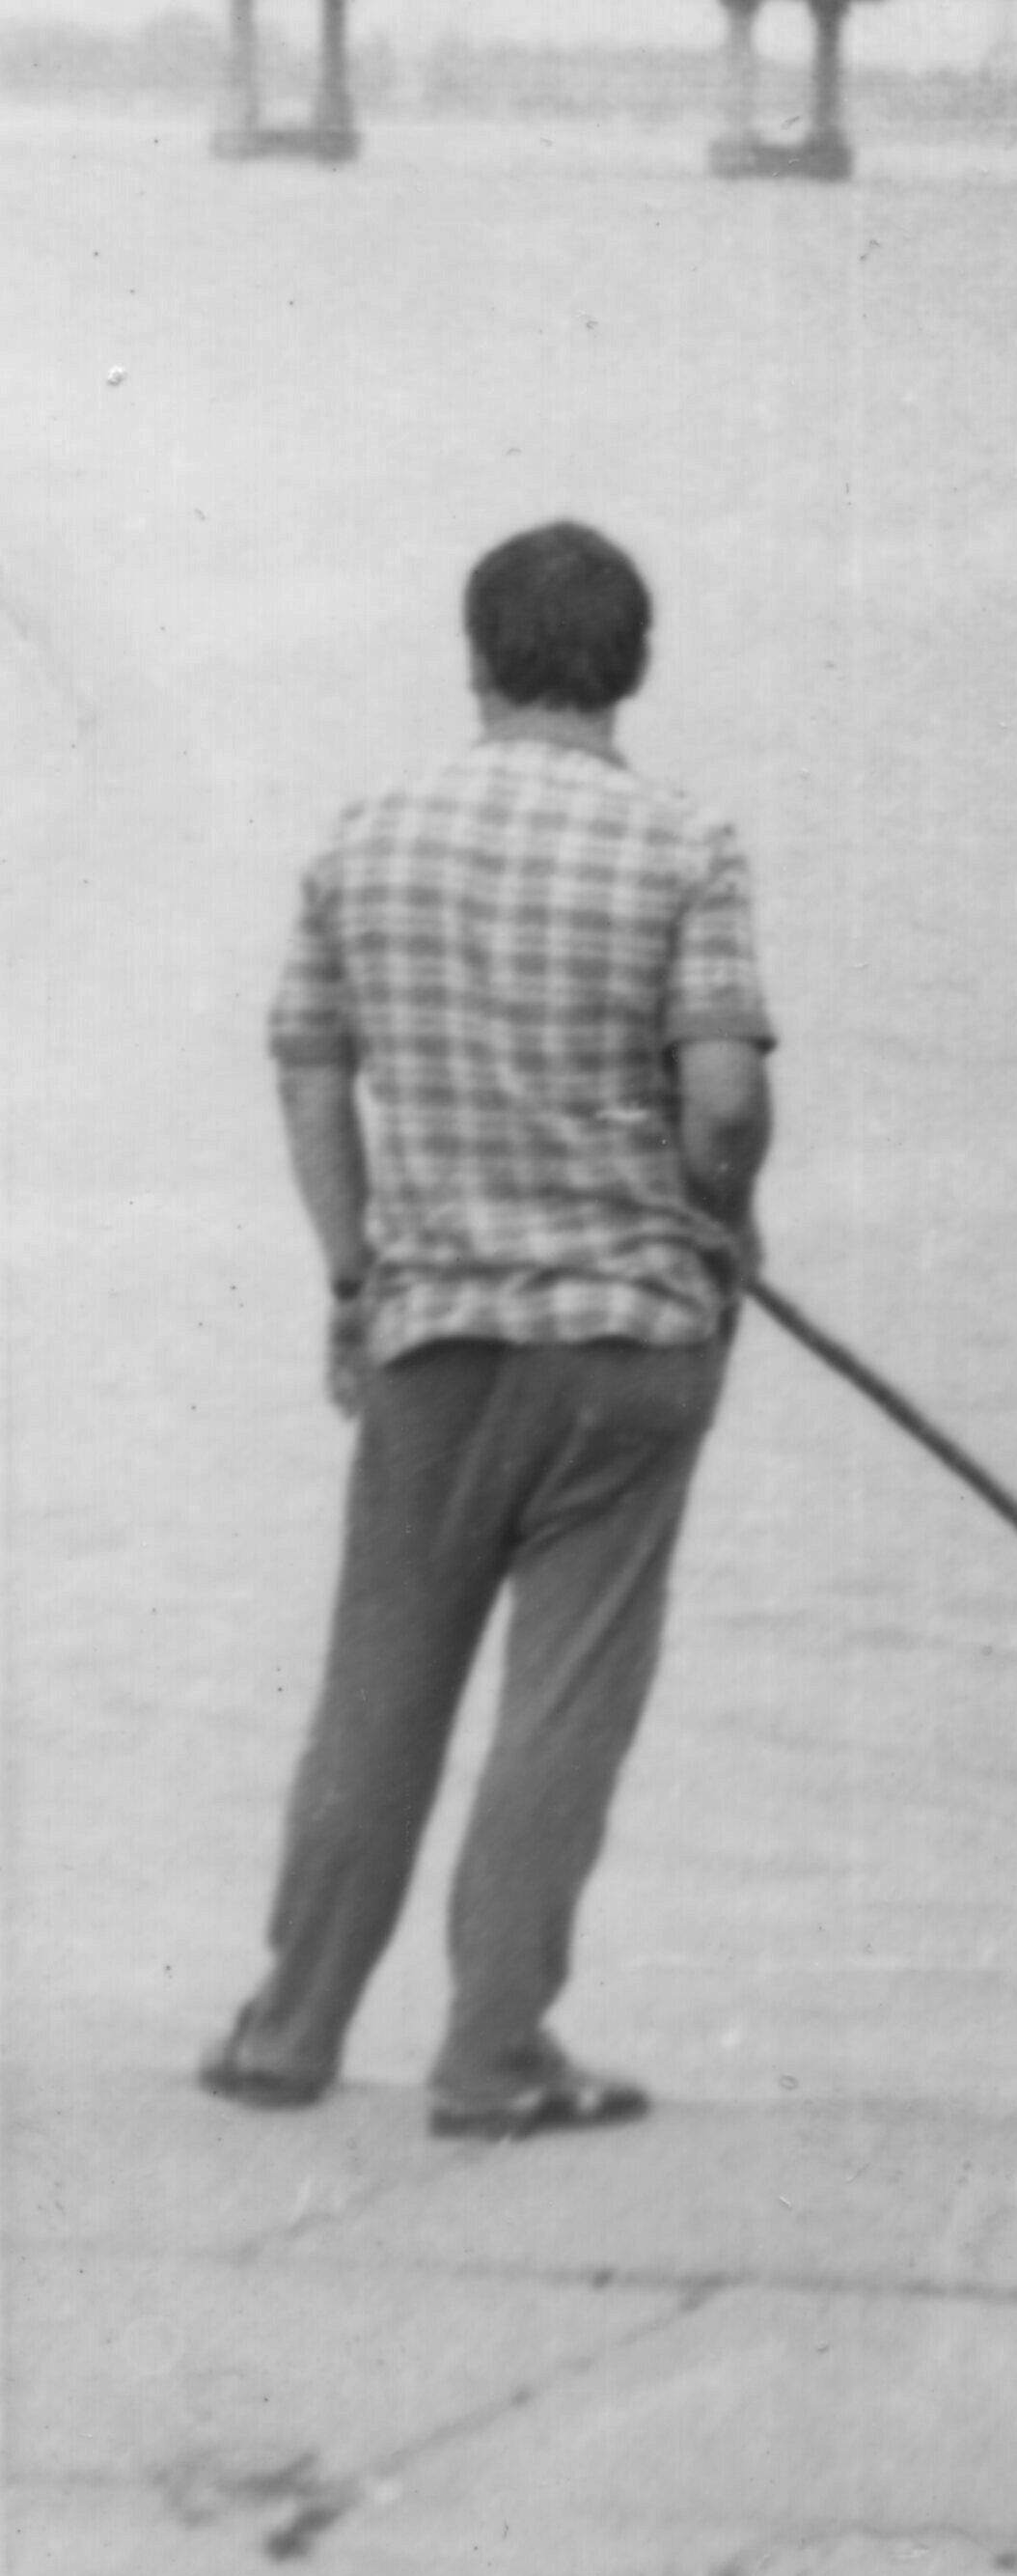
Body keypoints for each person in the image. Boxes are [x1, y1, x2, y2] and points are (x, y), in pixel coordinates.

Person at [204, 520, 776, 2139]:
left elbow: (310, 1071)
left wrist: (352, 1275)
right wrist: (721, 1228)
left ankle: (289, 2032)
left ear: (476, 656)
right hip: (626, 1338)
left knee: (376, 1692)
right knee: (562, 1702)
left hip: (430, 1334)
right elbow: (724, 1101)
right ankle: (492, 2051)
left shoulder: (366, 835)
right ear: (632, 664)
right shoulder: (684, 842)